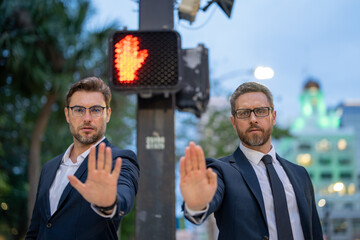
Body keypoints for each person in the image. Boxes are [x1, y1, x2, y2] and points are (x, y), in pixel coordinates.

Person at [180, 82, 323, 240]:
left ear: (273, 117)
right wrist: (196, 205)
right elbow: (206, 201)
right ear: (234, 122)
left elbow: (313, 229)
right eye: (244, 113)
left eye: (261, 111)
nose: (253, 119)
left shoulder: (300, 174)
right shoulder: (221, 171)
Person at [26, 77, 139, 240]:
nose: (87, 118)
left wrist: (109, 203)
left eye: (95, 110)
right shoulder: (49, 168)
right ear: (67, 114)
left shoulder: (120, 159)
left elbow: (124, 195)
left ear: (107, 114)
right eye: (79, 110)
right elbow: (35, 230)